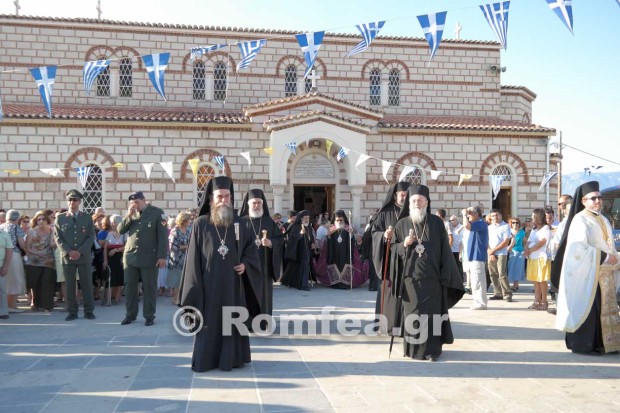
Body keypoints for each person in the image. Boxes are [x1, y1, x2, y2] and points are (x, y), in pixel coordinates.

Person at [178, 176, 262, 372]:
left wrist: (246, 264)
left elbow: (250, 249)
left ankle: (232, 359)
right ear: (211, 199)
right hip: (209, 285)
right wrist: (194, 288)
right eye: (220, 197)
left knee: (233, 320)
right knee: (209, 322)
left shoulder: (240, 223)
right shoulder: (201, 223)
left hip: (233, 285)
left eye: (227, 196)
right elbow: (193, 258)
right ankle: (207, 360)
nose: (224, 200)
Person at [388, 185, 464, 361]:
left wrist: (446, 275)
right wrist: (403, 244)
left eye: (420, 200)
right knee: (413, 315)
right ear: (409, 203)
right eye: (414, 201)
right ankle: (412, 350)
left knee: (432, 316)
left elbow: (445, 251)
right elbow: (393, 249)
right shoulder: (402, 224)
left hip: (433, 280)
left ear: (427, 203)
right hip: (410, 280)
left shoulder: (436, 223)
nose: (417, 203)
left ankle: (432, 351)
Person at [553, 181, 620, 354]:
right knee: (591, 308)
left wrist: (615, 258)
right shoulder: (580, 219)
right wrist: (606, 257)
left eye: (599, 197)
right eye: (593, 198)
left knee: (605, 308)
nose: (598, 201)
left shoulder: (604, 219)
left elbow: (609, 245)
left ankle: (607, 343)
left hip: (605, 273)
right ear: (584, 201)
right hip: (588, 273)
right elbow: (578, 249)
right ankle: (586, 344)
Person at [118, 191, 168, 326]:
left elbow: (162, 236)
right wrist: (128, 216)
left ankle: (149, 315)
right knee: (130, 288)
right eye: (132, 203)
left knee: (149, 287)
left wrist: (162, 256)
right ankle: (130, 314)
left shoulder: (157, 213)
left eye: (137, 202)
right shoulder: (131, 214)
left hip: (149, 257)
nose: (134, 205)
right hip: (130, 257)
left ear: (144, 200)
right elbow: (120, 230)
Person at [239, 188, 283, 319]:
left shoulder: (269, 222)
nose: (257, 205)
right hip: (247, 268)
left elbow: (280, 240)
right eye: (254, 203)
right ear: (248, 204)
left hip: (264, 268)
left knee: (264, 296)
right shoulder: (242, 222)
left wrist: (270, 243)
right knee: (247, 295)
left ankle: (263, 322)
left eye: (259, 203)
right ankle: (247, 323)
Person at [371, 182, 410, 325]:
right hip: (390, 258)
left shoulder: (412, 212)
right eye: (402, 195)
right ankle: (384, 323)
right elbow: (374, 232)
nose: (404, 198)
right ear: (395, 196)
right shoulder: (385, 213)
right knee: (388, 292)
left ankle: (405, 323)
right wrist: (384, 235)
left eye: (407, 195)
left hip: (407, 259)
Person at [54, 190, 96, 320]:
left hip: (83, 256)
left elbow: (91, 236)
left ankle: (89, 311)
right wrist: (68, 251)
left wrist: (80, 251)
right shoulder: (60, 218)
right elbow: (58, 237)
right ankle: (72, 312)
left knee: (87, 284)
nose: (72, 202)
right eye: (70, 200)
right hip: (68, 257)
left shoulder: (87, 217)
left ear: (80, 202)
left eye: (75, 200)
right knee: (70, 285)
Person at [316, 210, 366, 289]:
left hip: (345, 253)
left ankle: (345, 284)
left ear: (344, 219)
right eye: (337, 220)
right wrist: (328, 236)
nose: (339, 222)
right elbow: (328, 242)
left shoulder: (348, 228)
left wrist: (351, 235)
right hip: (334, 253)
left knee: (345, 267)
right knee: (335, 266)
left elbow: (352, 241)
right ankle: (335, 284)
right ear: (335, 220)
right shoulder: (332, 229)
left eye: (341, 220)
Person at [27, 211, 57, 312]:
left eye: (43, 219)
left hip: (48, 261)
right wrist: (38, 254)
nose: (41, 221)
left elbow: (53, 243)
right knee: (35, 283)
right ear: (36, 221)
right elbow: (27, 248)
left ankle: (47, 306)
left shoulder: (52, 231)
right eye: (39, 219)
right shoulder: (31, 232)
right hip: (34, 260)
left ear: (47, 220)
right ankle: (36, 304)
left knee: (47, 282)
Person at [280, 210, 316, 290]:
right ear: (301, 218)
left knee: (306, 267)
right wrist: (300, 234)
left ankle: (304, 284)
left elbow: (311, 236)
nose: (307, 220)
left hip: (307, 250)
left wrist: (312, 243)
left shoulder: (309, 226)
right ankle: (300, 284)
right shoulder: (295, 227)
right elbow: (292, 239)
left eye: (308, 218)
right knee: (299, 267)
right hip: (298, 251)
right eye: (305, 218)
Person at [462, 206, 489, 310]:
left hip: (477, 256)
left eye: (471, 213)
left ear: (477, 214)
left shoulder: (480, 223)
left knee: (478, 280)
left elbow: (466, 225)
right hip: (473, 256)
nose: (469, 215)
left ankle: (481, 303)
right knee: (475, 281)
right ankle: (478, 301)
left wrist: (464, 214)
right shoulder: (476, 224)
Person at [524, 208, 551, 311]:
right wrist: (526, 248)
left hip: (541, 258)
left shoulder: (546, 229)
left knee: (542, 280)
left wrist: (529, 250)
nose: (531, 218)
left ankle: (544, 301)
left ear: (538, 217)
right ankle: (537, 300)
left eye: (533, 216)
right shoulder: (534, 230)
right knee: (535, 281)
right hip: (533, 257)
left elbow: (542, 242)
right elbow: (528, 241)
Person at [0, 210, 27, 312]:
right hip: (14, 255)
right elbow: (21, 244)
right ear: (17, 218)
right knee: (16, 280)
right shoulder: (16, 227)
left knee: (6, 281)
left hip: (2, 256)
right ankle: (12, 306)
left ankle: (5, 306)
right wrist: (27, 250)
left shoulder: (1, 227)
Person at [487, 209, 513, 302]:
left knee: (502, 274)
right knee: (493, 274)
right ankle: (498, 293)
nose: (495, 217)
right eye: (493, 216)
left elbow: (505, 242)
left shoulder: (505, 226)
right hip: (491, 253)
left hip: (501, 253)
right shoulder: (489, 228)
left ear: (500, 216)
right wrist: (490, 252)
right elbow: (486, 241)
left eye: (497, 215)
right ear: (491, 217)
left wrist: (493, 251)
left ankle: (507, 294)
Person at [167, 212, 191, 305]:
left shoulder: (188, 230)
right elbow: (172, 246)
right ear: (183, 221)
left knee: (184, 280)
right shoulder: (175, 230)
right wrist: (185, 247)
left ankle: (182, 298)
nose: (190, 221)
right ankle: (175, 299)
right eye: (188, 220)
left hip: (186, 259)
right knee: (176, 281)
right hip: (176, 260)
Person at [102, 214, 126, 305]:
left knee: (119, 278)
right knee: (109, 278)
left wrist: (116, 250)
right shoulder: (109, 234)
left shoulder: (124, 234)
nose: (112, 224)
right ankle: (108, 299)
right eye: (111, 222)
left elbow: (127, 246)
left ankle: (117, 298)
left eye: (114, 222)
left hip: (120, 258)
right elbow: (105, 248)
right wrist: (105, 260)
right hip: (110, 259)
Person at [506, 217, 526, 292]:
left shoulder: (522, 232)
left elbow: (525, 242)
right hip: (510, 252)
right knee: (509, 268)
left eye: (517, 222)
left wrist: (525, 251)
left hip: (520, 252)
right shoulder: (508, 231)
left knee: (517, 268)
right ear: (510, 223)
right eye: (513, 222)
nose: (515, 224)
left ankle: (515, 285)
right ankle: (507, 285)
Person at [0, 229, 14, 320]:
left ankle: (3, 312)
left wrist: (5, 266)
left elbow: (9, 250)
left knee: (2, 290)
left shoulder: (4, 234)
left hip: (1, 266)